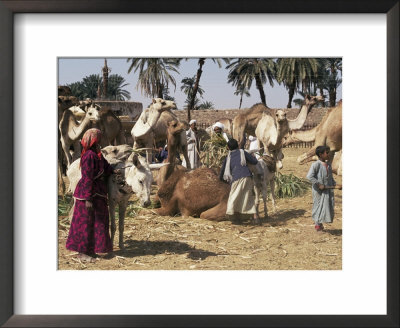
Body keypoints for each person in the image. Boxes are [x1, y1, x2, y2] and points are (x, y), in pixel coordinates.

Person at [66, 128, 114, 262]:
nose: (102, 139)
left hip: (98, 193)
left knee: (97, 223)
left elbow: (106, 167)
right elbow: (87, 177)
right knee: (85, 224)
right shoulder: (89, 156)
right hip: (89, 195)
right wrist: (88, 199)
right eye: (100, 137)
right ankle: (82, 253)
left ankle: (92, 250)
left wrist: (115, 171)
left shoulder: (97, 154)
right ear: (95, 140)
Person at [219, 138, 260, 225]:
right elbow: (255, 161)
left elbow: (222, 172)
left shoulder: (228, 157)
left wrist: (221, 181)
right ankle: (255, 218)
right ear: (238, 146)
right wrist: (251, 156)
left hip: (237, 178)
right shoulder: (243, 152)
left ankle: (234, 217)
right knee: (248, 197)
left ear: (228, 148)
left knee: (233, 198)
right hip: (247, 177)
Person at [306, 145, 342, 232]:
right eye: (327, 153)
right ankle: (317, 225)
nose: (328, 154)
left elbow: (330, 178)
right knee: (318, 206)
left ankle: (320, 223)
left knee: (325, 205)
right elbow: (309, 176)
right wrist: (318, 184)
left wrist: (336, 185)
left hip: (327, 190)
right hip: (318, 191)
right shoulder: (316, 165)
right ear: (320, 154)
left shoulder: (328, 165)